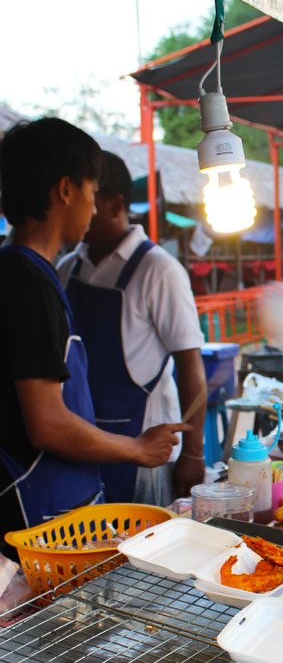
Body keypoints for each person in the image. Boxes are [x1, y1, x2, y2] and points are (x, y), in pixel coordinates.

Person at [0, 119, 187, 556]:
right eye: (91, 190)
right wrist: (137, 448)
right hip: (35, 517)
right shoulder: (26, 282)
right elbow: (47, 423)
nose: (92, 206)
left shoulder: (26, 271)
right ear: (66, 190)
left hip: (57, 507)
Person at [57, 152, 206, 505]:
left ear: (115, 205)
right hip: (82, 443)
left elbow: (190, 365)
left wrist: (192, 453)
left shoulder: (159, 270)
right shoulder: (67, 267)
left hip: (146, 452)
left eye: (88, 197)